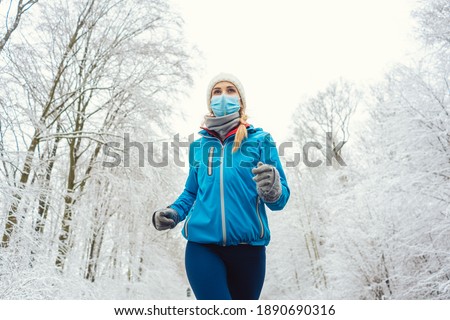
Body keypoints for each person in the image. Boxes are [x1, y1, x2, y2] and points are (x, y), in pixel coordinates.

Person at [152, 73, 290, 300]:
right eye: (217, 91)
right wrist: (173, 212)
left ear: (241, 100)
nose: (223, 96)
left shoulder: (260, 140)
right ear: (210, 102)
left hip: (249, 251)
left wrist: (273, 189)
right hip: (202, 248)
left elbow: (280, 200)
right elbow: (192, 192)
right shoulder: (198, 146)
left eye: (230, 90)